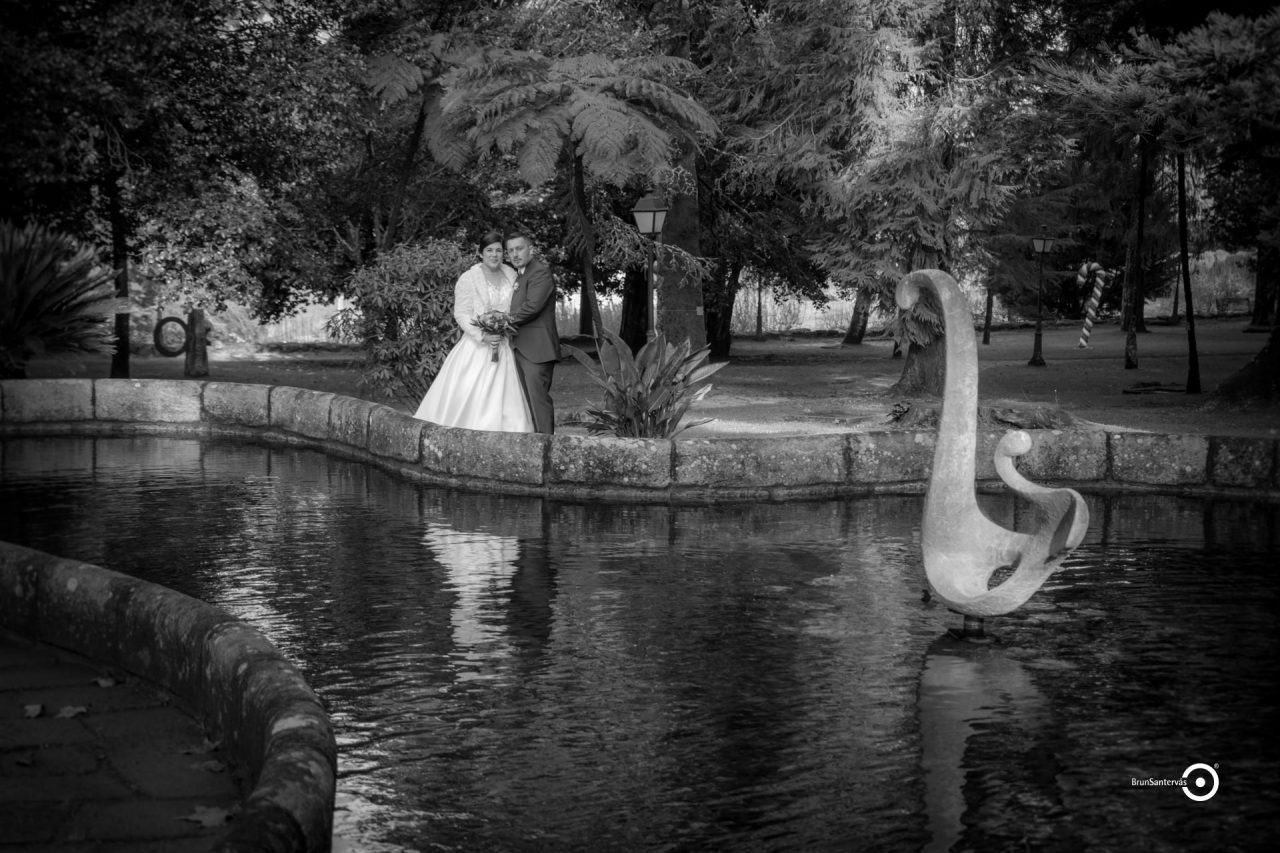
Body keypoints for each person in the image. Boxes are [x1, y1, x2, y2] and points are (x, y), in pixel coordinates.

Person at [413, 232, 534, 432]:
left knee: (507, 396)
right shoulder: (468, 278)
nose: (494, 255)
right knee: (469, 395)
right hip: (476, 347)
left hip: (504, 345)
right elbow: (461, 313)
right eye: (489, 250)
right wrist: (483, 335)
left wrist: (504, 328)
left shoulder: (512, 275)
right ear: (480, 253)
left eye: (498, 250)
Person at [503, 229, 561, 434]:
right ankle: (537, 447)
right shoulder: (522, 275)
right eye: (511, 251)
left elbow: (533, 307)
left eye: (519, 248)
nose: (515, 254)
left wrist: (503, 322)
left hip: (538, 350)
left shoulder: (539, 272)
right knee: (527, 403)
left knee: (539, 403)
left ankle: (548, 448)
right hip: (521, 347)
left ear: (531, 249)